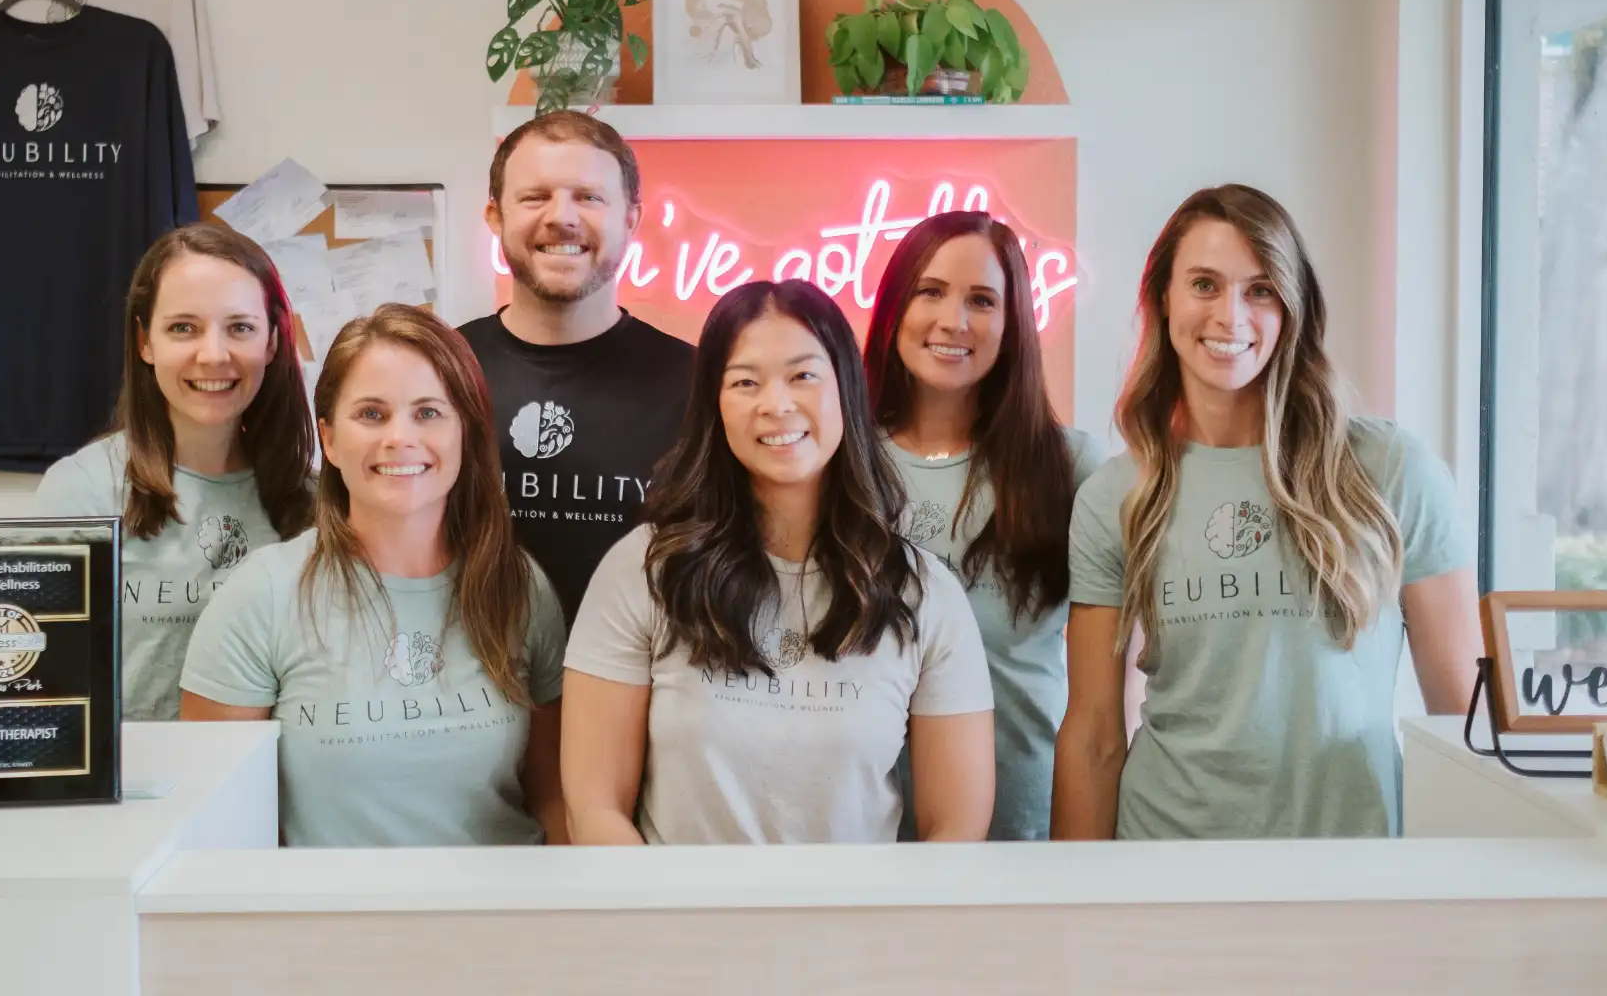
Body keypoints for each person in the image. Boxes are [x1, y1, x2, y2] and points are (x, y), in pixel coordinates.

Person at [1052, 184, 1481, 841]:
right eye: (1204, 285)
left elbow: (1461, 716)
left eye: (1260, 290)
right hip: (1166, 861)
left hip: (1352, 865)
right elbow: (1093, 735)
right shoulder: (1116, 495)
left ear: (1292, 307)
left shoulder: (1390, 470)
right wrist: (1075, 895)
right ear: (1162, 298)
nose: (1230, 316)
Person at [562, 279, 996, 845]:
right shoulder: (645, 570)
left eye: (803, 376)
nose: (776, 404)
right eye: (745, 382)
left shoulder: (922, 592)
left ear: (845, 390)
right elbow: (594, 807)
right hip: (676, 904)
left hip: (855, 906)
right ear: (714, 405)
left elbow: (957, 827)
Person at [179, 304, 567, 848]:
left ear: (466, 432)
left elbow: (554, 798)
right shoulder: (261, 597)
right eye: (371, 414)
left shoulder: (517, 585)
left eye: (428, 412)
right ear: (330, 439)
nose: (399, 437)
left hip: (505, 898)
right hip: (330, 904)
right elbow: (216, 822)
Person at [864, 210, 1105, 842]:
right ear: (894, 307)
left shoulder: (1071, 467)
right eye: (930, 291)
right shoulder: (842, 463)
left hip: (1026, 830)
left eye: (981, 300)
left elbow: (1112, 691)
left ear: (1013, 322)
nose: (954, 321)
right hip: (868, 835)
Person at [32, 223, 315, 722]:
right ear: (145, 341)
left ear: (272, 341)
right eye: (183, 328)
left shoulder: (312, 498)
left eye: (240, 327)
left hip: (263, 770)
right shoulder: (83, 490)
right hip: (134, 771)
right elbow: (43, 680)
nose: (214, 355)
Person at [460, 110, 694, 624]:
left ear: (631, 219)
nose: (561, 217)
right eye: (535, 197)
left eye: (588, 197)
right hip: (470, 672)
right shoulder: (441, 371)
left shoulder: (697, 384)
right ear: (495, 217)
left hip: (643, 671)